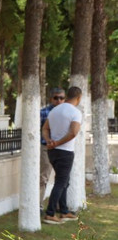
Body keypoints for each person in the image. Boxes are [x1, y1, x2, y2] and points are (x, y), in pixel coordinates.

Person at [41, 86, 82, 225]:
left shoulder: (54, 110)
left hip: (52, 151)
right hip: (64, 151)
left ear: (67, 96)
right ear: (79, 98)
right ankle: (50, 213)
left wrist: (48, 141)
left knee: (64, 181)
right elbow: (73, 133)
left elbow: (45, 128)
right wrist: (57, 142)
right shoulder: (75, 112)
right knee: (60, 182)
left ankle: (64, 211)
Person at [39, 87, 65, 205]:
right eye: (56, 98)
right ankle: (38, 204)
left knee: (62, 178)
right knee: (43, 177)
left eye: (61, 98)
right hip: (46, 148)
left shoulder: (67, 113)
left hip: (62, 149)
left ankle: (59, 205)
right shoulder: (43, 112)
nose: (59, 100)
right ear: (51, 99)